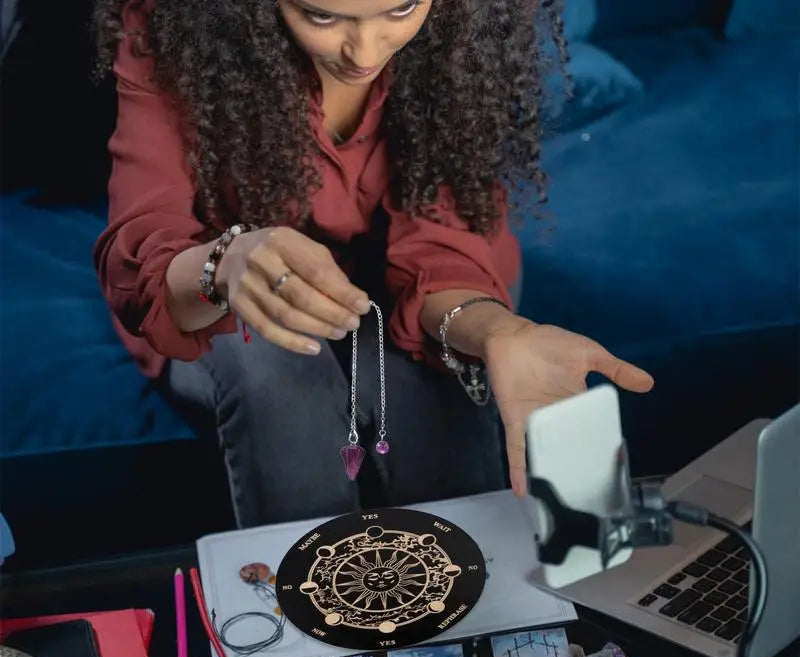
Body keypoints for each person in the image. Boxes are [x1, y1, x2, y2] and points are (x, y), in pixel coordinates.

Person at [92, 0, 654, 529]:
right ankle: (308, 591)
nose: (364, 52)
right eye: (321, 16)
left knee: (433, 390)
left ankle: (471, 591)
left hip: (432, 281)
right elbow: (147, 245)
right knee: (277, 374)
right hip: (225, 290)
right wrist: (225, 265)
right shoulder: (172, 25)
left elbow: (444, 244)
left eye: (401, 8)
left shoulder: (461, 24)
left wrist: (498, 332)